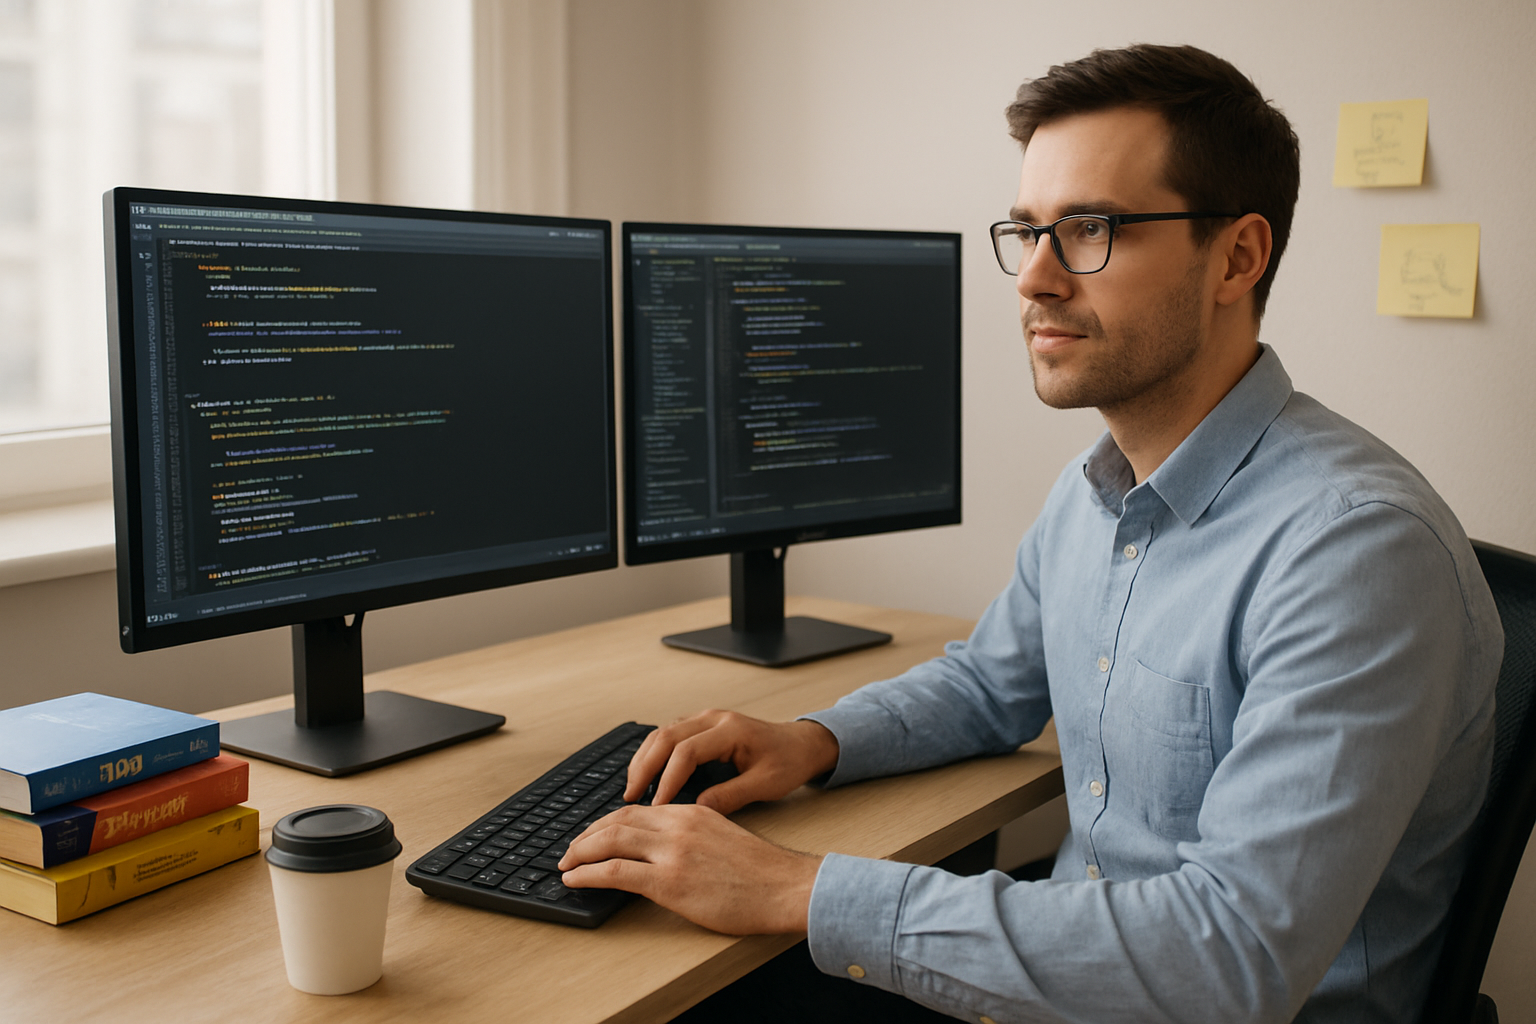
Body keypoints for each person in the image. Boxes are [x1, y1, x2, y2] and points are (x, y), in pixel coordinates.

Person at [558, 43, 1502, 1024]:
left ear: (1237, 257)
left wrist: (798, 889)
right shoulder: (1094, 492)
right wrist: (812, 741)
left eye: (1090, 229)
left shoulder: (1357, 552)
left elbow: (1233, 960)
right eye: (1026, 231)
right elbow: (988, 684)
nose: (1035, 279)